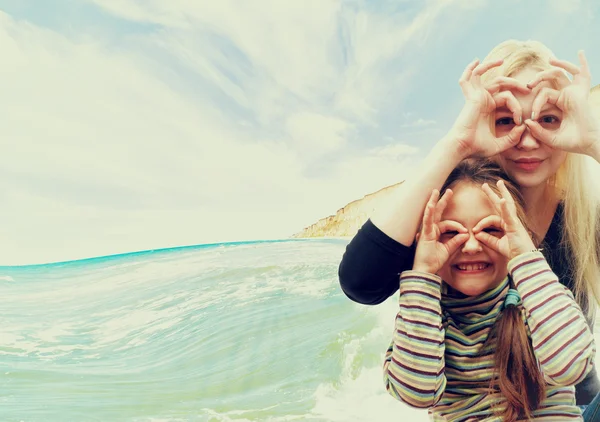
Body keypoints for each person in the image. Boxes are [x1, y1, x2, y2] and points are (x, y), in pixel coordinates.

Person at [338, 39, 600, 404]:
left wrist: (592, 141)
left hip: (580, 401)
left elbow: (571, 362)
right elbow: (360, 281)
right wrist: (456, 143)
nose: (526, 139)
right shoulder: (449, 224)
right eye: (505, 119)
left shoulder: (584, 218)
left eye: (548, 119)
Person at [383, 158, 596, 421]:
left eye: (491, 229)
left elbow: (570, 367)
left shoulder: (540, 299)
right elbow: (415, 393)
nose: (471, 246)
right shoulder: (422, 318)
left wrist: (526, 257)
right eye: (451, 232)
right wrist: (423, 271)